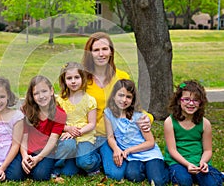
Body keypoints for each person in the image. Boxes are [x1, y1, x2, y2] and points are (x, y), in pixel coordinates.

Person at [81, 32, 153, 176]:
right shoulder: (82, 80)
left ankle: (105, 157)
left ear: (111, 52)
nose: (101, 54)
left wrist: (147, 118)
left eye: (105, 49)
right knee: (82, 163)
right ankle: (94, 160)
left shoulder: (122, 77)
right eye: (96, 50)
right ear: (90, 54)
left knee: (116, 174)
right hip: (87, 135)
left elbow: (134, 105)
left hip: (112, 137)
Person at [103, 79, 169, 185]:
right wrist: (116, 149)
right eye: (120, 95)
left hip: (149, 153)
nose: (124, 100)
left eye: (128, 97)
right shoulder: (108, 113)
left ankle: (162, 168)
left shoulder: (139, 116)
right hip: (133, 157)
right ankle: (149, 170)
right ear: (114, 96)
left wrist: (129, 150)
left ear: (133, 99)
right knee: (133, 176)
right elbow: (110, 137)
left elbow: (150, 142)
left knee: (157, 182)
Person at [164, 80, 224, 186]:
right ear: (179, 101)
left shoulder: (205, 123)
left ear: (201, 103)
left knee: (212, 183)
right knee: (184, 181)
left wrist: (203, 162)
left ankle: (218, 175)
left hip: (198, 161)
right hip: (178, 162)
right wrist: (187, 164)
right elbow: (172, 150)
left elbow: (208, 150)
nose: (191, 103)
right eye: (186, 99)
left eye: (196, 100)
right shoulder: (169, 122)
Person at [54, 62, 101, 176]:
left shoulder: (90, 100)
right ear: (64, 80)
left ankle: (95, 162)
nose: (73, 81)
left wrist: (78, 132)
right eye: (69, 78)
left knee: (84, 162)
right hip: (67, 132)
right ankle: (56, 168)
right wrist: (67, 128)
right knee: (66, 146)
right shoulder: (60, 100)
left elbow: (92, 123)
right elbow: (55, 122)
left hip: (84, 134)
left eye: (76, 77)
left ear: (82, 78)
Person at [20, 75, 66, 181]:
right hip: (27, 149)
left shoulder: (60, 114)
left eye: (44, 91)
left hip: (45, 151)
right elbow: (23, 137)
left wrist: (38, 158)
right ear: (32, 96)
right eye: (36, 93)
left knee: (40, 176)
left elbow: (53, 140)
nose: (41, 96)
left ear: (51, 91)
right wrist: (24, 156)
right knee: (14, 175)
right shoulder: (26, 110)